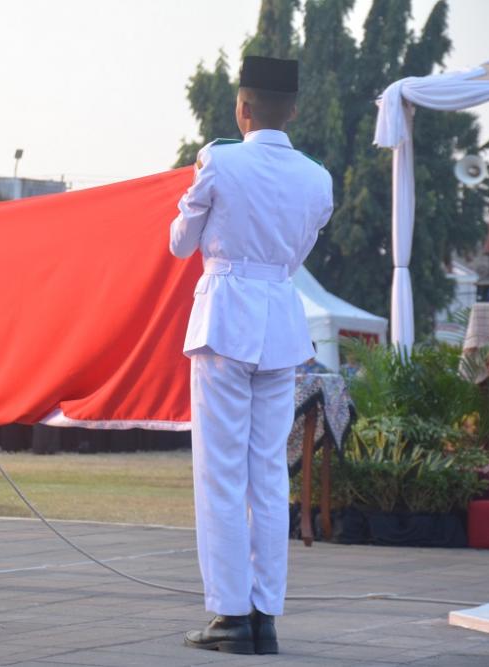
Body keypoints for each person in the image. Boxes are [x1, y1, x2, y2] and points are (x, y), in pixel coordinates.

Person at [169, 56, 333, 656]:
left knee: (220, 471)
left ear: (243, 108)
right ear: (292, 110)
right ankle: (265, 614)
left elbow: (179, 243)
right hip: (279, 321)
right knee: (267, 472)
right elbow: (296, 256)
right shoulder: (319, 177)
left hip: (225, 318)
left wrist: (195, 189)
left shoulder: (221, 160)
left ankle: (229, 614)